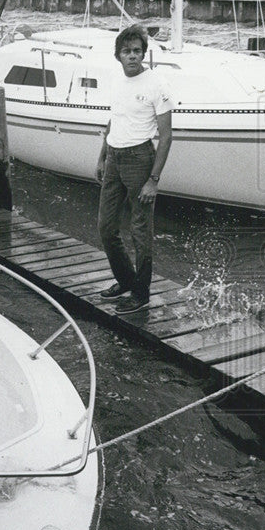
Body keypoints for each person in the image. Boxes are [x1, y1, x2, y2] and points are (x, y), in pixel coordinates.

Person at [95, 25, 173, 314]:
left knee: (140, 231)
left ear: (144, 53)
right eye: (127, 51)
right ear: (118, 56)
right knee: (106, 227)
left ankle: (141, 294)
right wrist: (102, 157)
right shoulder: (116, 81)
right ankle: (126, 280)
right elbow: (113, 121)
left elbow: (166, 136)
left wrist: (153, 180)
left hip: (140, 160)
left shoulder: (156, 85)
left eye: (137, 51)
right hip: (114, 158)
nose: (132, 56)